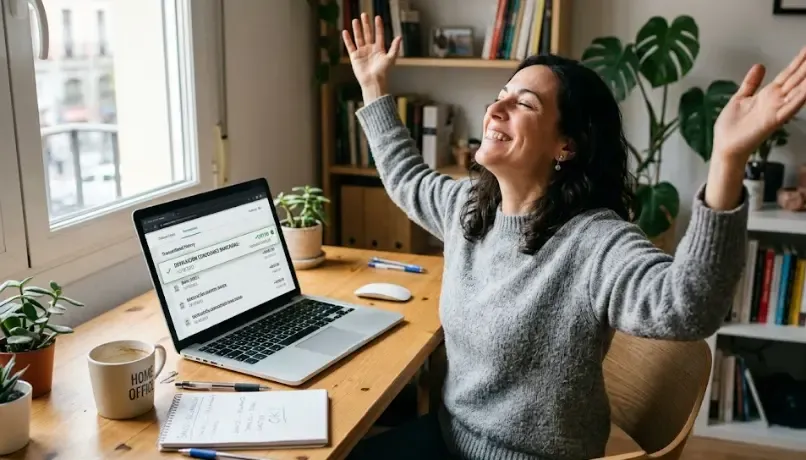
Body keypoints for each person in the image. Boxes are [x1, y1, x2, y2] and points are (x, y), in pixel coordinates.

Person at [341, 13, 806, 460]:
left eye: (524, 103)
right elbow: (405, 176)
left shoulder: (594, 243)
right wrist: (372, 84)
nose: (495, 109)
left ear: (567, 145)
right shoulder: (469, 209)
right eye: (501, 95)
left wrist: (727, 159)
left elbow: (689, 306)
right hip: (450, 436)